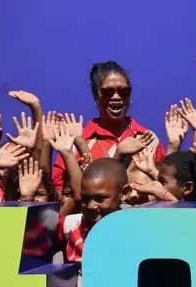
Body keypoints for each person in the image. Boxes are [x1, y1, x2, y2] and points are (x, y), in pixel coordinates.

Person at [50, 61, 165, 194]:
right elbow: (58, 191)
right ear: (96, 96)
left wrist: (174, 145)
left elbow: (167, 185)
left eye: (124, 91)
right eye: (108, 92)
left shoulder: (147, 138)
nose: (116, 97)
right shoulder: (76, 140)